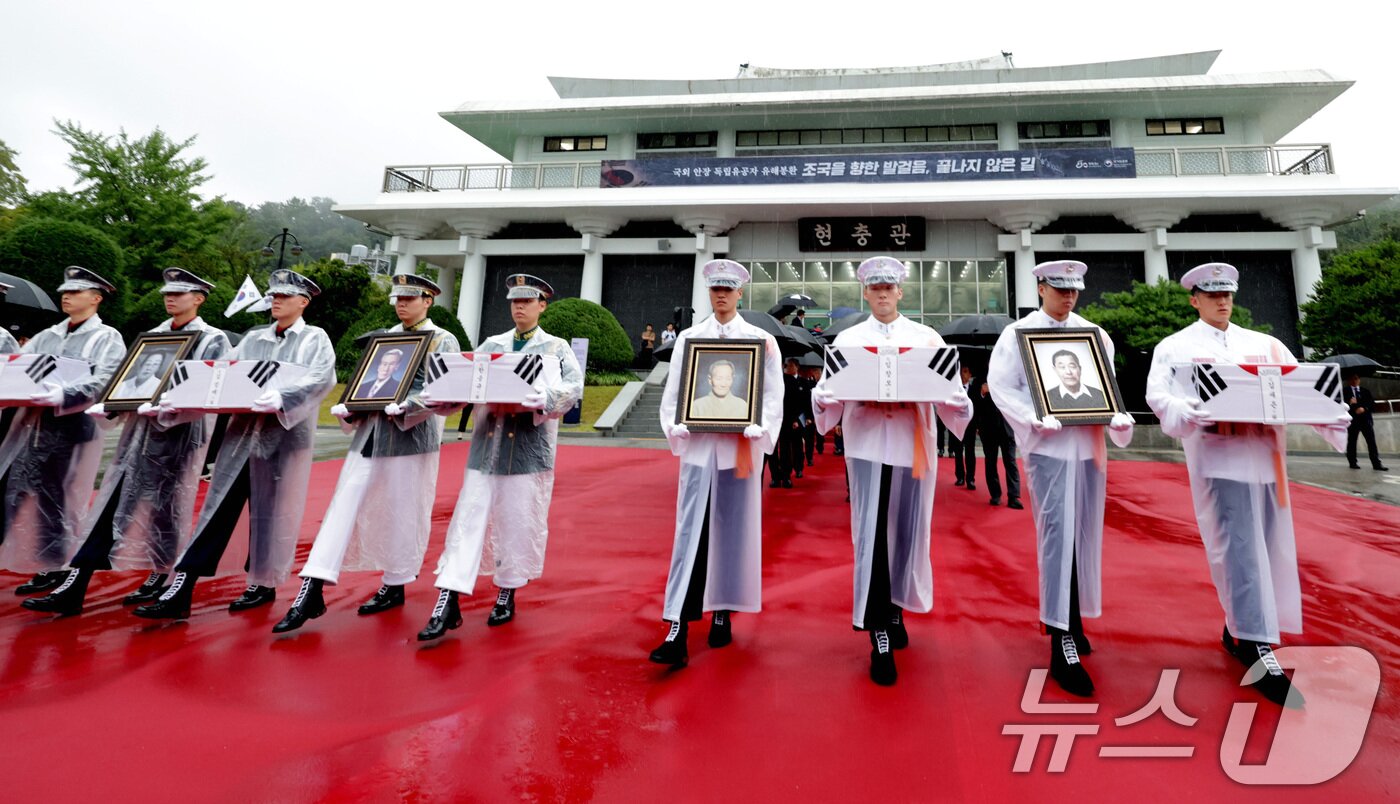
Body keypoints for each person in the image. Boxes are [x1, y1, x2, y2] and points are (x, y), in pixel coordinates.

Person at [1145, 262, 1351, 707]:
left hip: (1266, 459)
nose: (1222, 301)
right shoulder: (1176, 347)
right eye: (1212, 294)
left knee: (1271, 549)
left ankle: (1238, 626)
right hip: (1222, 461)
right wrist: (1185, 411)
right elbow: (1159, 396)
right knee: (1239, 551)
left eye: (1228, 294)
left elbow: (1299, 389)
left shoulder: (1264, 344)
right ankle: (1259, 647)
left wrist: (1330, 417)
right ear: (1193, 299)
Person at [23, 269, 231, 615]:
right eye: (168, 293)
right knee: (111, 506)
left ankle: (161, 575)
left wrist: (172, 405)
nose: (170, 298)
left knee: (165, 510)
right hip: (138, 435)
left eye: (180, 294)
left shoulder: (213, 339)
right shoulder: (153, 336)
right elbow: (131, 380)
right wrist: (113, 405)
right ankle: (77, 583)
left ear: (198, 299)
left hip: (178, 435)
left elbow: (211, 386)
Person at [134, 269, 336, 619]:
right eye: (274, 296)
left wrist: (283, 396)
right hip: (241, 435)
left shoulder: (314, 338)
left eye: (285, 296)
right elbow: (220, 373)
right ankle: (182, 587)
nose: (276, 301)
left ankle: (263, 583)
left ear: (303, 302)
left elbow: (321, 378)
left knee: (270, 513)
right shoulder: (253, 338)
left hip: (283, 438)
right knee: (216, 510)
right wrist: (178, 397)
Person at [812, 256, 974, 686]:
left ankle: (897, 608)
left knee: (907, 533)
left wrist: (958, 403)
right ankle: (878, 630)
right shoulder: (848, 340)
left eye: (889, 287)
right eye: (875, 287)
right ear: (865, 292)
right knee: (871, 534)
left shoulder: (925, 338)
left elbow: (952, 394)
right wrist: (824, 398)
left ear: (901, 292)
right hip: (867, 447)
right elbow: (827, 398)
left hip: (910, 446)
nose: (882, 293)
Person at [273, 274, 460, 633]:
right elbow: (367, 382)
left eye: (410, 297)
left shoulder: (441, 340)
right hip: (371, 434)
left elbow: (443, 389)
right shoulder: (384, 338)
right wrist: (351, 407)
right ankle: (311, 588)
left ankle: (394, 583)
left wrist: (410, 405)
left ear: (428, 301)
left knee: (403, 510)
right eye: (398, 298)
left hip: (410, 437)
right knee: (341, 507)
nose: (402, 303)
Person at [987, 260, 1134, 697]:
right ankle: (1060, 634)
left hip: (1088, 446)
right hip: (1049, 448)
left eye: (1074, 290)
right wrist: (1034, 416)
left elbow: (1104, 386)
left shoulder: (1094, 334)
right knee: (1057, 535)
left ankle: (1075, 617)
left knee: (1085, 535)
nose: (1068, 297)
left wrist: (1116, 417)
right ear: (1041, 287)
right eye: (1059, 289)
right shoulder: (1019, 334)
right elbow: (1001, 387)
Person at [417, 273, 583, 641]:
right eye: (514, 301)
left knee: (516, 522)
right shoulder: (492, 344)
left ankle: (507, 590)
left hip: (527, 450)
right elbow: (466, 386)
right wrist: (442, 398)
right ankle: (448, 599)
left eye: (527, 301)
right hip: (486, 447)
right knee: (466, 520)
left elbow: (573, 386)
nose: (519, 307)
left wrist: (550, 400)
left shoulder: (555, 348)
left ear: (542, 305)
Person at [649, 259, 783, 667]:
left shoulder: (760, 341)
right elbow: (673, 396)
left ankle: (723, 609)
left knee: (733, 533)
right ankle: (678, 625)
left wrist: (762, 428)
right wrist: (676, 428)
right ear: (709, 293)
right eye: (715, 290)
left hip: (739, 452)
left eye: (728, 290)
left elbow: (773, 395)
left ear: (740, 294)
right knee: (689, 533)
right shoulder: (691, 339)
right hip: (699, 450)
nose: (721, 296)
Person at [0, 267, 125, 596]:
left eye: (76, 291)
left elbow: (105, 380)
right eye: (65, 291)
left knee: (55, 500)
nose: (66, 296)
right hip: (31, 425)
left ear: (96, 298)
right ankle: (40, 561)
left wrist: (66, 395)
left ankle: (54, 564)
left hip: (72, 427)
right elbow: (17, 366)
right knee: (11, 492)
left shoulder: (106, 337)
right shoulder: (48, 335)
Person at [973, 374, 1023, 509]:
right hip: (988, 428)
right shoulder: (980, 381)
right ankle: (995, 494)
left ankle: (1014, 496)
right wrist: (982, 393)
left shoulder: (1009, 381)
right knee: (990, 462)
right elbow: (974, 403)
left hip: (1006, 427)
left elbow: (1016, 401)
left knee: (1010, 461)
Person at [1344, 372, 1388, 471]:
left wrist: (1364, 408)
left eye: (1356, 378)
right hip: (1352, 421)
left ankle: (1376, 464)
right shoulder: (1344, 392)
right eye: (1352, 379)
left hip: (1365, 420)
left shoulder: (1365, 391)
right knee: (1352, 442)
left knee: (1371, 442)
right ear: (1348, 381)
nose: (1354, 381)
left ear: (1359, 380)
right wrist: (1350, 404)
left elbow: (1371, 404)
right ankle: (1352, 462)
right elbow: (1341, 406)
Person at [949, 365, 978, 490]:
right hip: (957, 425)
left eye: (965, 372)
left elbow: (977, 409)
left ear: (970, 375)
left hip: (970, 426)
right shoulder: (955, 389)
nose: (963, 374)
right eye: (961, 372)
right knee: (958, 451)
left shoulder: (974, 390)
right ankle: (960, 477)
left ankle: (970, 479)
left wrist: (977, 426)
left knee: (970, 452)